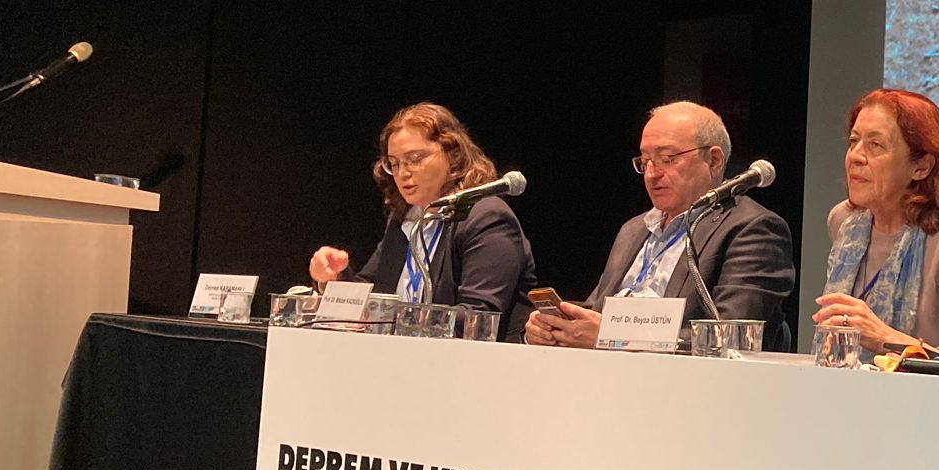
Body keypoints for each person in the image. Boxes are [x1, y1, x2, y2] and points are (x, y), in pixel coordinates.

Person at [525, 101, 794, 350]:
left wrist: (614, 337)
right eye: (645, 162)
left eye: (668, 158)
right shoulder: (634, 229)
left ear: (714, 160)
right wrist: (556, 327)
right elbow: (598, 311)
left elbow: (731, 337)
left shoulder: (753, 228)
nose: (652, 173)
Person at [309, 102, 539, 339]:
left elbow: (477, 318)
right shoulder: (406, 220)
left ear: (454, 156)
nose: (403, 172)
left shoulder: (487, 217)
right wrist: (334, 278)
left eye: (415, 159)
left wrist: (398, 318)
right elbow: (374, 294)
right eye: (394, 163)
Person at [813, 89, 939, 352]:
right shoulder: (844, 222)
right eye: (854, 141)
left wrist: (887, 340)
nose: (855, 156)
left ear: (921, 167)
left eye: (875, 145)